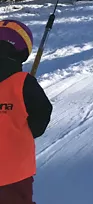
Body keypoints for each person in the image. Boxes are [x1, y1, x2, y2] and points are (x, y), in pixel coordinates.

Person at [0, 20, 52, 204]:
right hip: (15, 171)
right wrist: (27, 130)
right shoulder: (24, 83)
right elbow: (42, 113)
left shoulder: (23, 83)